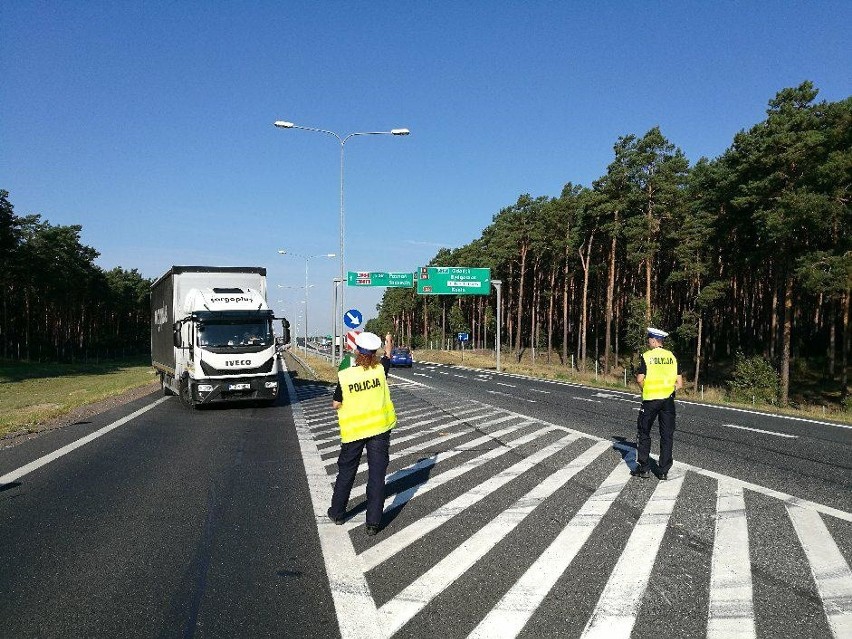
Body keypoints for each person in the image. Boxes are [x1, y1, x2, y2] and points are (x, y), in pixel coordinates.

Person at [327, 331, 396, 536]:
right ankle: (373, 523)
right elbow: (388, 356)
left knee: (346, 472)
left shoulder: (346, 376)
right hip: (379, 430)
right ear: (374, 353)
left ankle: (338, 513)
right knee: (377, 476)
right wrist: (388, 342)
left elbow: (336, 404)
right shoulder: (380, 370)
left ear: (356, 352)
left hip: (354, 432)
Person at [633, 327, 684, 480]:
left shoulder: (647, 356)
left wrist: (646, 390)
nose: (648, 341)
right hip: (668, 401)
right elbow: (679, 383)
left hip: (650, 400)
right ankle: (663, 471)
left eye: (649, 339)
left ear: (654, 340)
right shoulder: (672, 356)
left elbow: (639, 379)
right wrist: (667, 390)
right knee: (667, 435)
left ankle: (644, 468)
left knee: (644, 432)